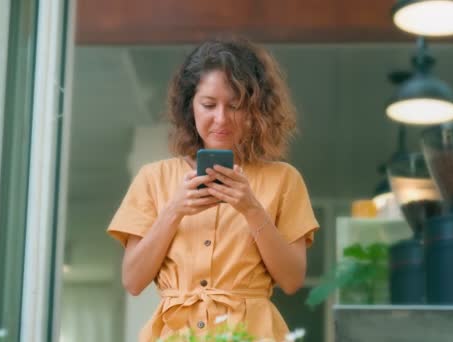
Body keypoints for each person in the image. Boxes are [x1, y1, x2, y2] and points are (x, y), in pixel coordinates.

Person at [107, 38, 319, 341]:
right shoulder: (153, 179)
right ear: (188, 106)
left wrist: (252, 209)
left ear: (255, 111)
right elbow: (133, 280)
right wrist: (174, 209)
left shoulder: (284, 180)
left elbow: (291, 280)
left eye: (235, 106)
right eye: (208, 105)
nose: (221, 118)